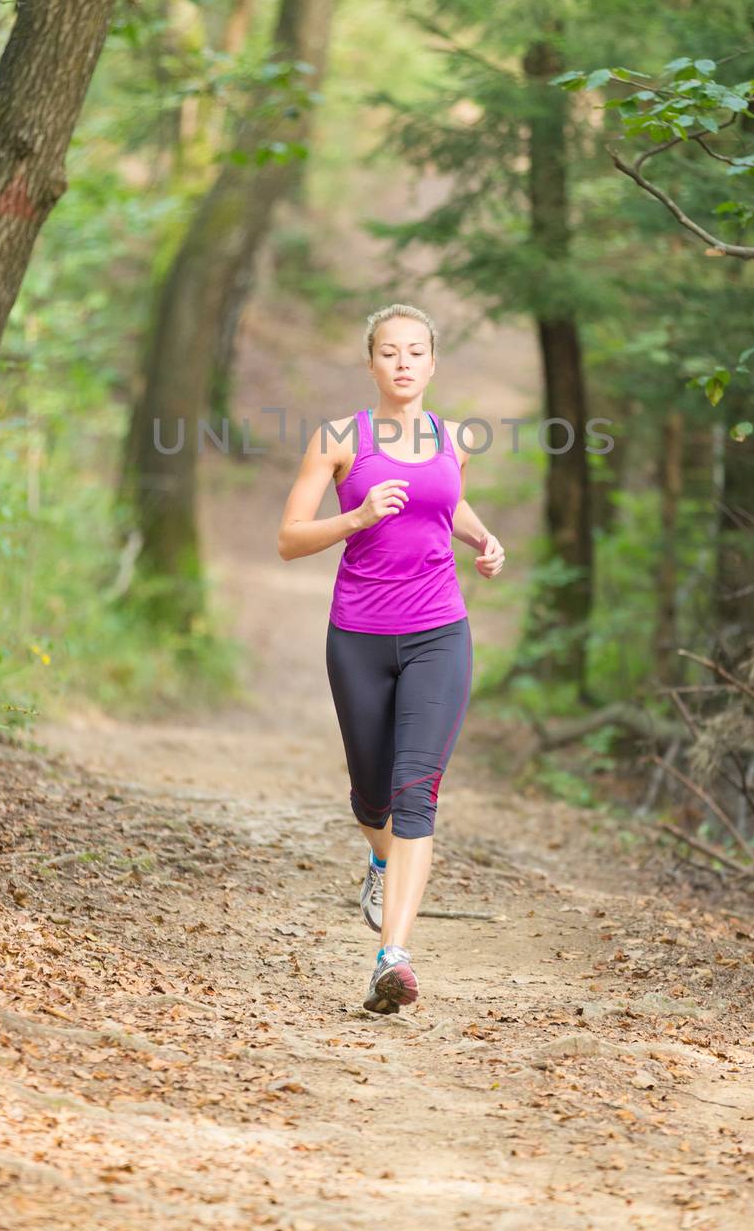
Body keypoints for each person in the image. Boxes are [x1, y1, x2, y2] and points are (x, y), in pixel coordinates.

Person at [277, 303, 505, 1014]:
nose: (402, 363)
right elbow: (288, 538)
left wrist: (482, 538)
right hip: (359, 636)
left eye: (415, 352)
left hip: (440, 629)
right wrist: (356, 517)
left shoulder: (454, 437)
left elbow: (444, 503)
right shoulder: (339, 438)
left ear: (432, 363)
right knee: (371, 795)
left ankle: (392, 957)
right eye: (388, 352)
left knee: (415, 790)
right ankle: (378, 859)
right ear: (370, 363)